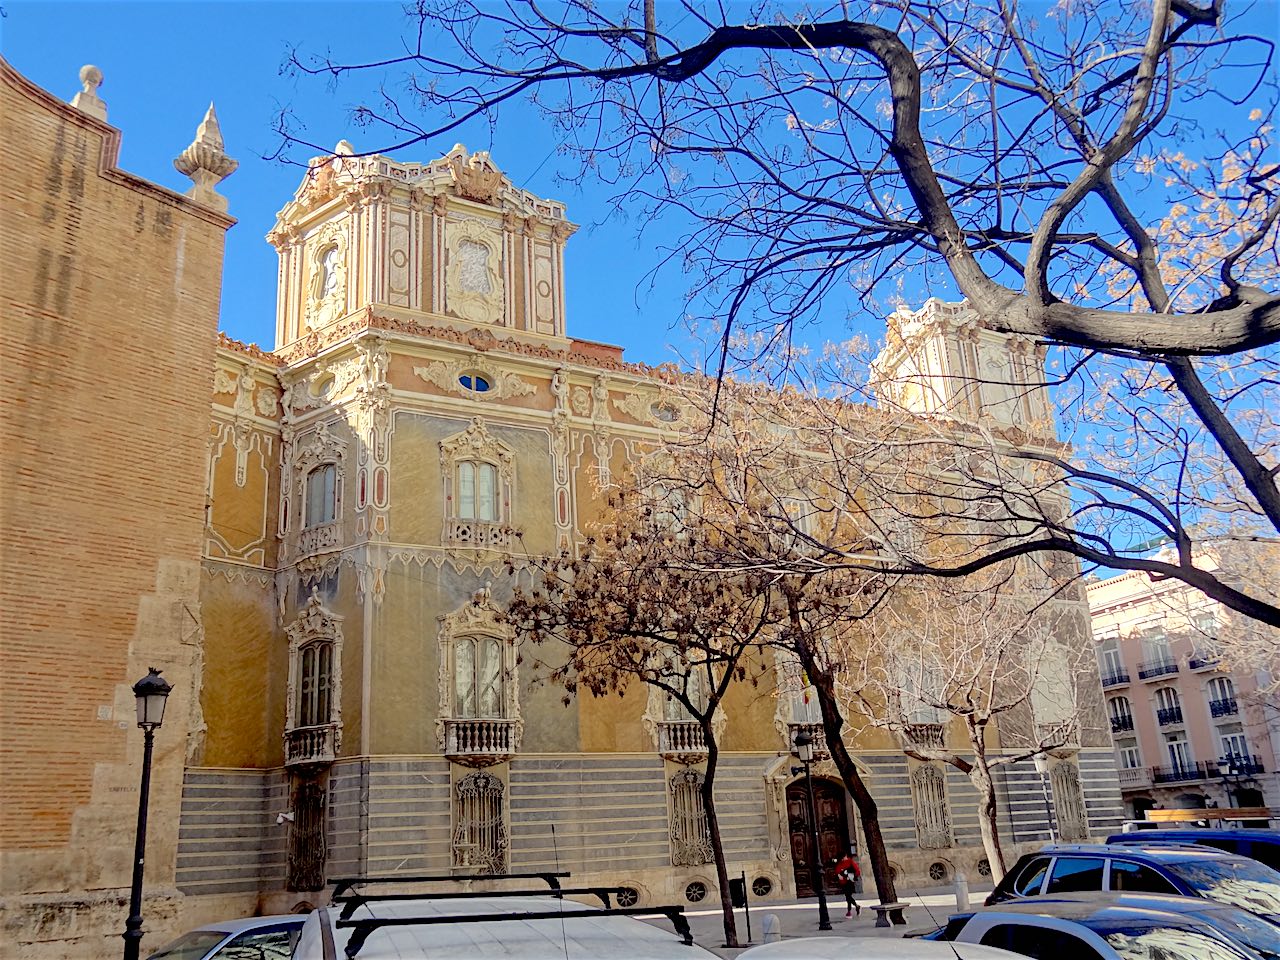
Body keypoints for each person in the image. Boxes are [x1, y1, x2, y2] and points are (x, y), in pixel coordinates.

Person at [833, 850, 861, 918]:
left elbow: (857, 870)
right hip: (843, 882)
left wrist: (852, 876)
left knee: (848, 896)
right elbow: (837, 871)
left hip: (849, 881)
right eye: (842, 858)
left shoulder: (850, 861)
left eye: (844, 857)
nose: (843, 859)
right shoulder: (839, 863)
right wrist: (839, 875)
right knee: (848, 896)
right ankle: (856, 906)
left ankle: (849, 911)